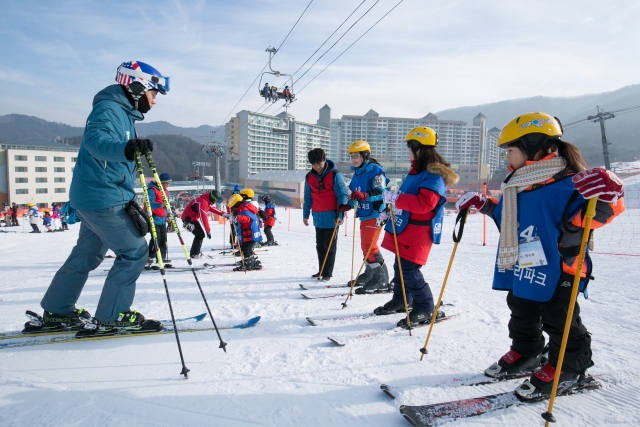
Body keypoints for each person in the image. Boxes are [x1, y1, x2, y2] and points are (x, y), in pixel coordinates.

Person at [456, 113, 625, 400]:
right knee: (521, 307)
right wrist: (485, 204)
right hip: (525, 266)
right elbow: (507, 216)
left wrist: (612, 195)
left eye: (510, 149)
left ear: (533, 146)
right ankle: (527, 351)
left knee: (559, 318)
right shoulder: (518, 186)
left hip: (559, 267)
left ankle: (571, 367)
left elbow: (593, 216)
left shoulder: (570, 184)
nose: (506, 156)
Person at [35, 60, 170, 337]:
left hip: (95, 196)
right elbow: (96, 143)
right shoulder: (109, 110)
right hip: (102, 198)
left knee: (87, 253)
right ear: (135, 87)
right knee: (134, 252)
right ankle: (113, 316)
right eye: (153, 93)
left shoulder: (122, 113)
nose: (154, 101)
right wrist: (126, 148)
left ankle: (58, 309)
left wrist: (128, 150)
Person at [375, 127, 458, 329]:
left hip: (418, 232)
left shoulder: (434, 175)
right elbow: (406, 199)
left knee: (409, 271)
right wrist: (390, 209)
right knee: (399, 267)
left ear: (417, 147)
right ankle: (402, 299)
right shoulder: (416, 172)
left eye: (409, 147)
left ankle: (426, 306)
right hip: (405, 228)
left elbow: (424, 204)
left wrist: (397, 199)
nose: (408, 151)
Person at [347, 140, 390, 293]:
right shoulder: (357, 173)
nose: (353, 159)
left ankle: (382, 279)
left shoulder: (375, 170)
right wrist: (347, 204)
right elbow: (353, 194)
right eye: (352, 157)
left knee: (370, 246)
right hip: (364, 214)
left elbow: (381, 192)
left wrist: (364, 195)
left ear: (365, 155)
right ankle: (370, 273)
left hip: (376, 212)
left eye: (356, 156)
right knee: (365, 247)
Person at [303, 148, 349, 282]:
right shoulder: (309, 177)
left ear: (324, 159)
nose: (317, 167)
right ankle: (321, 270)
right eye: (314, 164)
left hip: (332, 217)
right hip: (318, 216)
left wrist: (341, 214)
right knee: (320, 245)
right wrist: (305, 215)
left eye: (319, 163)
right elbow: (307, 197)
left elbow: (342, 196)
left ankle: (327, 273)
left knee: (330, 246)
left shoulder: (335, 174)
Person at [181, 190, 224, 258]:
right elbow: (203, 217)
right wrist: (208, 230)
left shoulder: (206, 200)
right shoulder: (203, 202)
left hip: (191, 219)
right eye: (217, 201)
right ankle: (194, 254)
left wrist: (223, 214)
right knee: (200, 235)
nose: (216, 202)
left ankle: (195, 252)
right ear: (213, 198)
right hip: (188, 220)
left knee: (200, 235)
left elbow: (211, 208)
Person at [225, 194, 263, 270]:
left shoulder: (245, 210)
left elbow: (247, 219)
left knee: (245, 249)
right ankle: (252, 262)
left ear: (237, 204)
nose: (232, 210)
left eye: (233, 208)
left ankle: (248, 264)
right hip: (249, 235)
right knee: (247, 249)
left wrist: (236, 218)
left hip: (249, 235)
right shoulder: (244, 208)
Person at [146, 172, 172, 265]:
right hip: (154, 217)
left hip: (162, 218)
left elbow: (166, 206)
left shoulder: (165, 191)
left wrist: (168, 216)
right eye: (166, 183)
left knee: (163, 238)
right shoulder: (151, 190)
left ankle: (161, 257)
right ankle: (150, 256)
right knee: (156, 238)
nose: (168, 185)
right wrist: (160, 204)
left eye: (169, 183)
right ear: (160, 182)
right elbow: (149, 203)